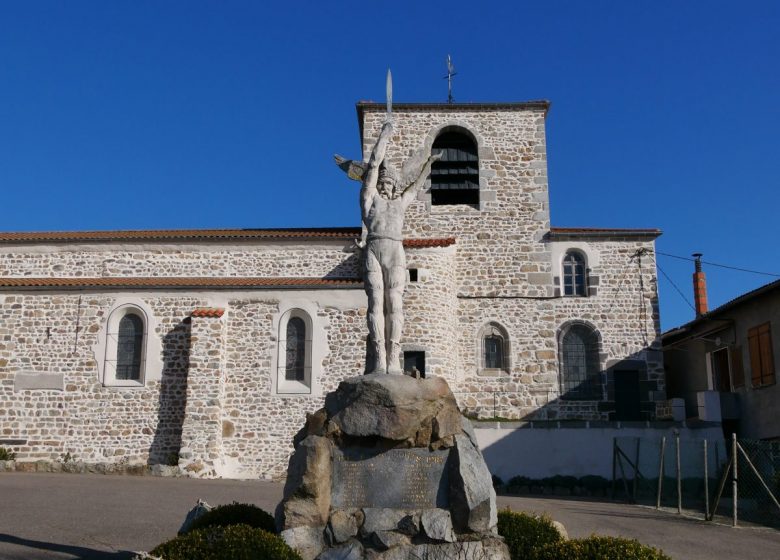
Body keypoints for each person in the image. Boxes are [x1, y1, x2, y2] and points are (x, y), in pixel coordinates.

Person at [360, 118, 441, 374]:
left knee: (394, 303)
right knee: (376, 304)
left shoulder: (400, 203)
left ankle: (393, 357)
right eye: (382, 183)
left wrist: (428, 164)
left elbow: (416, 186)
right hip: (373, 248)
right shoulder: (369, 200)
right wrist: (385, 134)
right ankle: (379, 359)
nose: (384, 186)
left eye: (388, 183)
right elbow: (373, 165)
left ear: (395, 187)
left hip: (395, 251)